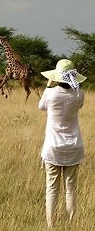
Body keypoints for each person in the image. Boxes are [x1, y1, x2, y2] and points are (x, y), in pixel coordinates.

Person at [39, 59, 87, 228]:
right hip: (74, 146)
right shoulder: (79, 94)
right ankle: (72, 224)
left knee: (52, 189)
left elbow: (41, 106)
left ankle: (51, 225)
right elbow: (78, 103)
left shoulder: (50, 94)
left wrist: (48, 85)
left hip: (53, 148)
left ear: (57, 76)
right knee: (71, 188)